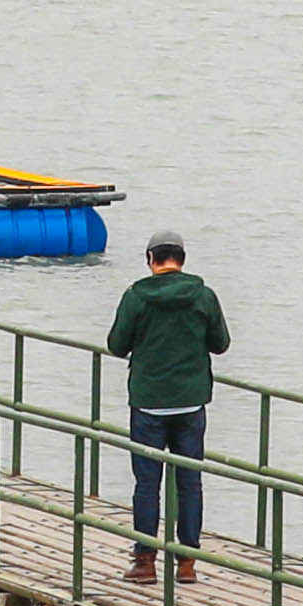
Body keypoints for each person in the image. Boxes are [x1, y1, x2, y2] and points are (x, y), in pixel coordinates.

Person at [103, 237, 231, 587]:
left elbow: (116, 345)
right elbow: (221, 344)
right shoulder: (203, 296)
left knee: (147, 483)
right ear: (182, 260)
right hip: (191, 403)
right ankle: (187, 563)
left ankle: (145, 562)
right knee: (190, 483)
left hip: (148, 403)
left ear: (150, 259)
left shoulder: (137, 296)